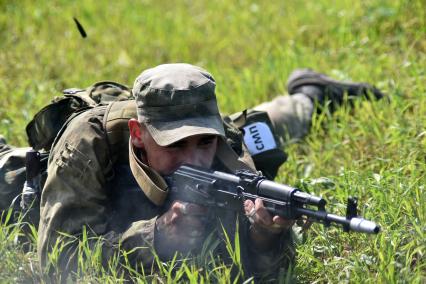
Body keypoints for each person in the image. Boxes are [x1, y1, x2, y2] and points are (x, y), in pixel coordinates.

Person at [7, 63, 384, 280]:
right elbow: (61, 261)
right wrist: (154, 235)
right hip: (33, 176)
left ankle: (309, 94)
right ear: (139, 135)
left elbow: (253, 269)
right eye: (176, 144)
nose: (194, 159)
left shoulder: (224, 145)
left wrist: (263, 235)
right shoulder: (85, 145)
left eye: (204, 142)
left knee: (263, 128)